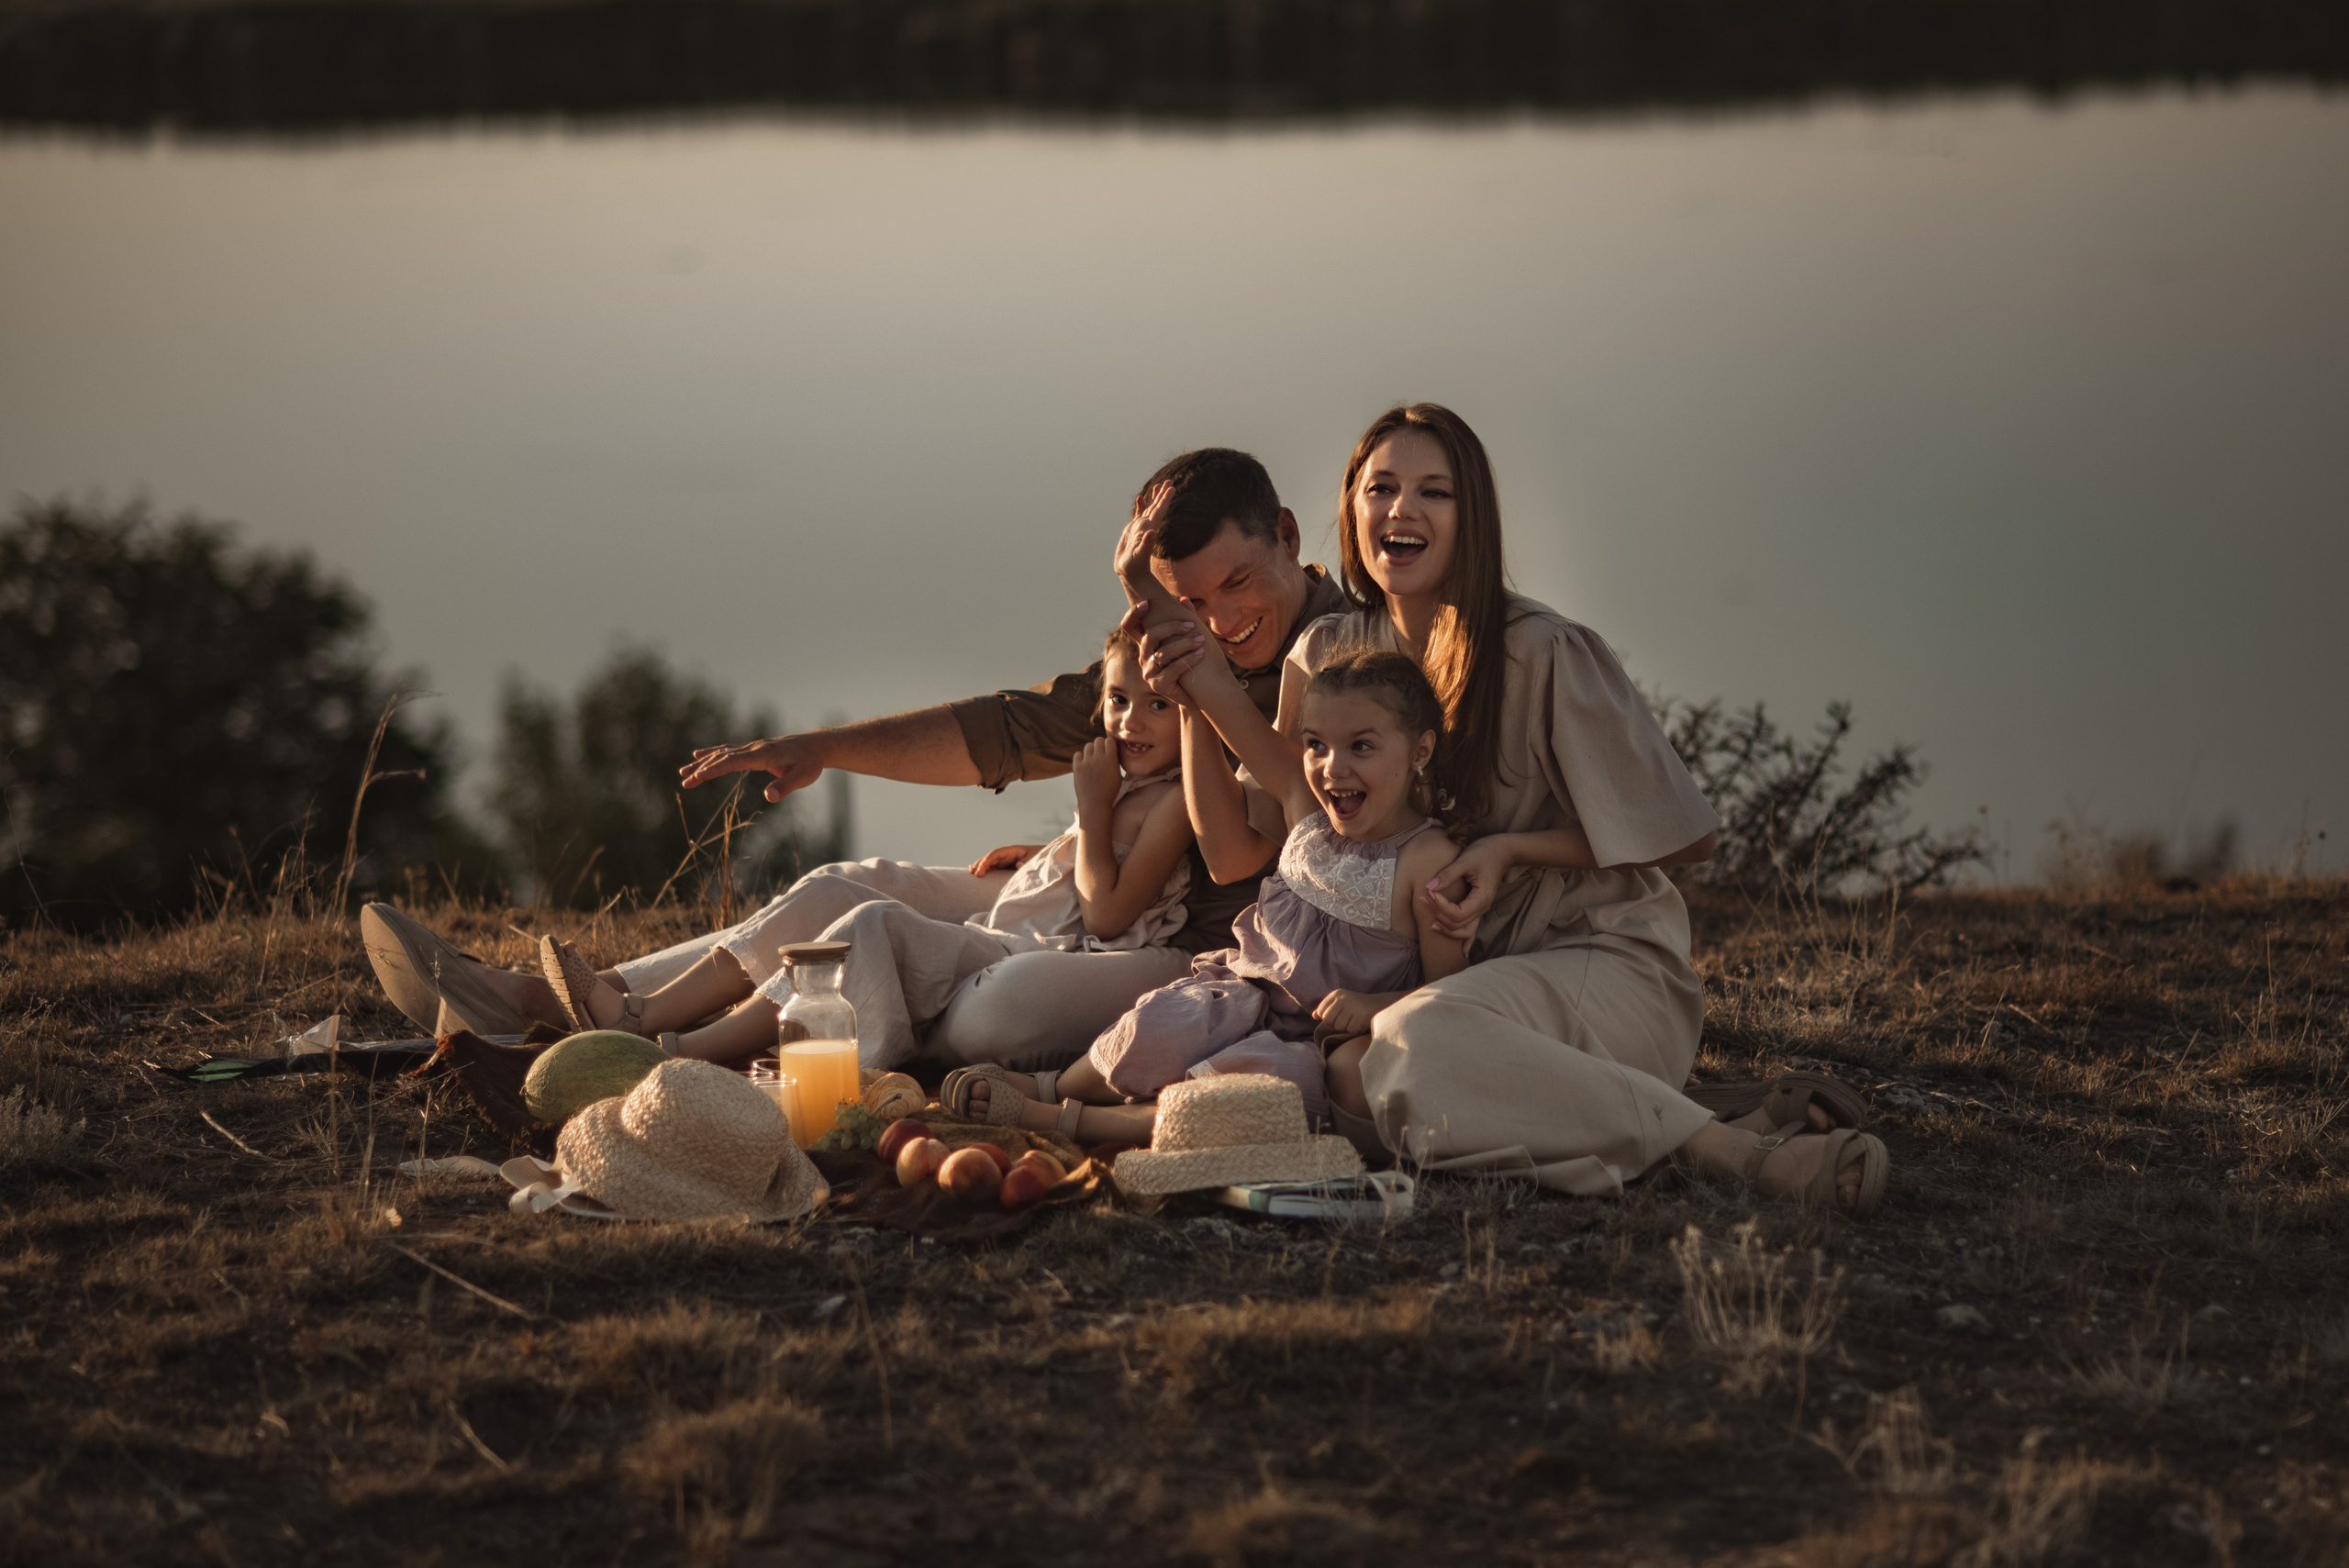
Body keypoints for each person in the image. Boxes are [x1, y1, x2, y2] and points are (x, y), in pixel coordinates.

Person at [1130, 403, 1887, 1215]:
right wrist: (1184, 672)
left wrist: (1510, 852)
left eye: (1435, 492)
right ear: (1350, 509)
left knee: (1410, 1050)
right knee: (1352, 1072)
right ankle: (1695, 1105)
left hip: (1595, 960)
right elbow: (1269, 830)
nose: (1402, 510)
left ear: (1472, 518)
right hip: (1455, 987)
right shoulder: (1326, 655)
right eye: (1380, 487)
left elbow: (1688, 837)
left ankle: (1736, 1152)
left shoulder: (1541, 648)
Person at [365, 446, 1350, 1070]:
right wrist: (820, 748)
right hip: (1085, 894)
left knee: (968, 994)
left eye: (1238, 585)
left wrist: (1119, 811)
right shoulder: (1171, 643)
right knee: (852, 879)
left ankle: (668, 1046)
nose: (1218, 621)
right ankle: (559, 1004)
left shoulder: (1346, 659)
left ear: (1289, 539)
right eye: (1188, 600)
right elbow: (1012, 729)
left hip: (1178, 944)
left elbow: (1293, 837)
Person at [947, 651, 1468, 1143]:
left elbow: (1453, 991)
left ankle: (1067, 1121)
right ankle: (1055, 1087)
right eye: (1316, 744)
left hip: (1309, 1044)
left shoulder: (1426, 859)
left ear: (1419, 751)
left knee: (1249, 1098)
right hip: (1239, 997)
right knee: (1158, 1027)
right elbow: (1230, 712)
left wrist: (1377, 1005)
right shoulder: (1305, 807)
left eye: (1361, 746)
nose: (1332, 767)